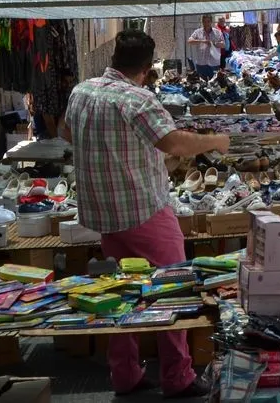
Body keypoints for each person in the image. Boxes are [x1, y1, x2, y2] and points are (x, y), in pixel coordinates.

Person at [63, 29, 226, 398]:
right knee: (173, 289)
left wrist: (120, 155)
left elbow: (68, 133)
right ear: (148, 66)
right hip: (142, 210)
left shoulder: (82, 91)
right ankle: (177, 376)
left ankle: (125, 375)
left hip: (104, 213)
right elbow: (175, 143)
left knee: (121, 294)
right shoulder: (138, 100)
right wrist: (216, 141)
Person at [186, 14, 224, 78]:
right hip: (201, 63)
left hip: (214, 64)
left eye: (208, 21)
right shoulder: (197, 32)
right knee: (202, 84)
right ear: (202, 22)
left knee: (214, 85)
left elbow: (223, 45)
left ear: (211, 22)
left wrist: (213, 43)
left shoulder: (218, 32)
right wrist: (202, 41)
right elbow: (189, 41)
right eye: (204, 21)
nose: (206, 23)